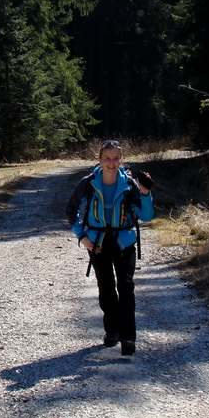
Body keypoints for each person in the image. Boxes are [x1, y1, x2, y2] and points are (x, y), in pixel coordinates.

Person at [66, 140, 154, 356]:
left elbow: (147, 216)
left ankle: (128, 338)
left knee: (126, 286)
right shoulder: (88, 183)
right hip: (97, 243)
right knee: (106, 288)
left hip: (124, 241)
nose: (111, 162)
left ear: (121, 160)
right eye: (107, 158)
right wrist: (82, 237)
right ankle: (111, 331)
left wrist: (145, 193)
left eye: (116, 158)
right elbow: (71, 210)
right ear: (100, 160)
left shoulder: (130, 185)